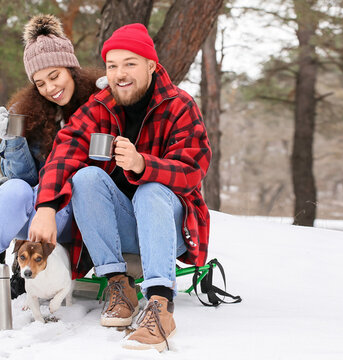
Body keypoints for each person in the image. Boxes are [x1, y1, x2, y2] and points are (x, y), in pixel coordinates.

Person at [28, 23, 211, 351]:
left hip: (169, 229)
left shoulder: (179, 105)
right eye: (112, 66)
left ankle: (160, 305)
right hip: (126, 228)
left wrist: (144, 165)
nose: (120, 74)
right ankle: (119, 285)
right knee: (85, 177)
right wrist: (46, 207)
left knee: (151, 189)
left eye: (130, 64)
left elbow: (193, 171)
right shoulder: (100, 106)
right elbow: (64, 151)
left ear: (151, 66)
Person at [0, 14, 103, 298]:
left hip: (72, 213)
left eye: (55, 76)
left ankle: (28, 267)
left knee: (68, 191)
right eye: (40, 83)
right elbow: (23, 177)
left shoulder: (97, 104)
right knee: (13, 189)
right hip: (35, 208)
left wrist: (114, 101)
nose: (50, 88)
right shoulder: (31, 112)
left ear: (71, 69)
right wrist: (13, 141)